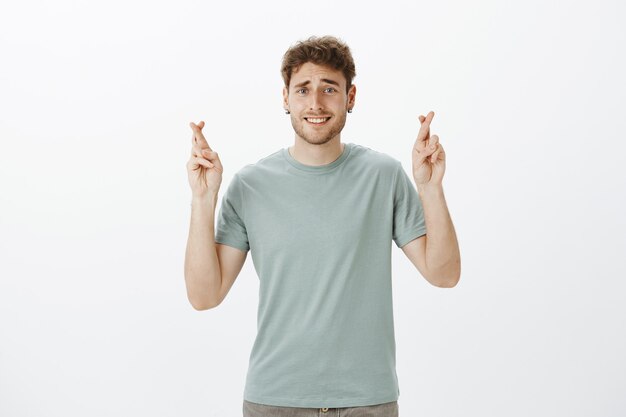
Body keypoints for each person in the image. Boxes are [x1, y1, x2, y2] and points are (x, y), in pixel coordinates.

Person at [184, 35, 461, 417]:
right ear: (286, 98)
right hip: (274, 399)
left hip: (367, 400)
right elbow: (204, 296)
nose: (315, 103)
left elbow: (444, 274)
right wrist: (203, 199)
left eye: (329, 89)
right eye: (303, 89)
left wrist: (430, 188)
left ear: (351, 97)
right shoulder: (250, 185)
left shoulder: (383, 176)